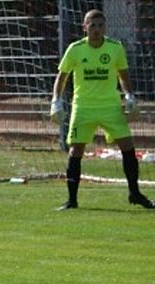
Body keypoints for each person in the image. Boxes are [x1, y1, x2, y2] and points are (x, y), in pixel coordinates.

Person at [50, 9, 150, 211]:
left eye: (100, 25)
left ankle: (135, 194)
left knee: (128, 146)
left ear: (105, 27)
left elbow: (123, 75)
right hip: (83, 107)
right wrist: (56, 100)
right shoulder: (75, 49)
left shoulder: (115, 48)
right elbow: (62, 77)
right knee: (76, 149)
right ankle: (71, 200)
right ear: (84, 28)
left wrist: (129, 96)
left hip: (110, 106)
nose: (96, 29)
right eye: (92, 25)